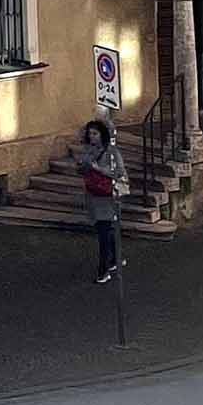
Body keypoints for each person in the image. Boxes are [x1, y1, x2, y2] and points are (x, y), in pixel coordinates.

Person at [73, 118, 127, 285]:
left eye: (95, 134)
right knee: (103, 229)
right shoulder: (90, 151)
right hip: (93, 196)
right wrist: (81, 166)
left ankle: (103, 270)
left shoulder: (112, 152)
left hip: (107, 197)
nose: (92, 137)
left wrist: (98, 169)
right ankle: (115, 258)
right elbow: (83, 171)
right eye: (90, 134)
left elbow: (119, 173)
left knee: (103, 234)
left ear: (102, 134)